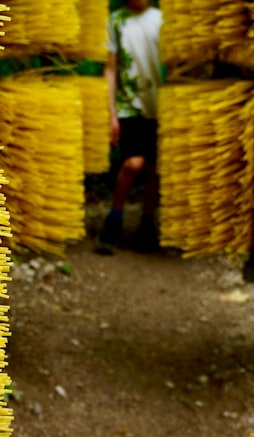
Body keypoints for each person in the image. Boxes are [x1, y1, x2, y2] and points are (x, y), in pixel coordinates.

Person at [95, 0, 163, 254]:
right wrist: (110, 112)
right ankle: (114, 217)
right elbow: (110, 69)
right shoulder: (115, 21)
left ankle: (147, 223)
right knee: (133, 163)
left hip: (161, 104)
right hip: (128, 105)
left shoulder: (163, 20)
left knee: (155, 167)